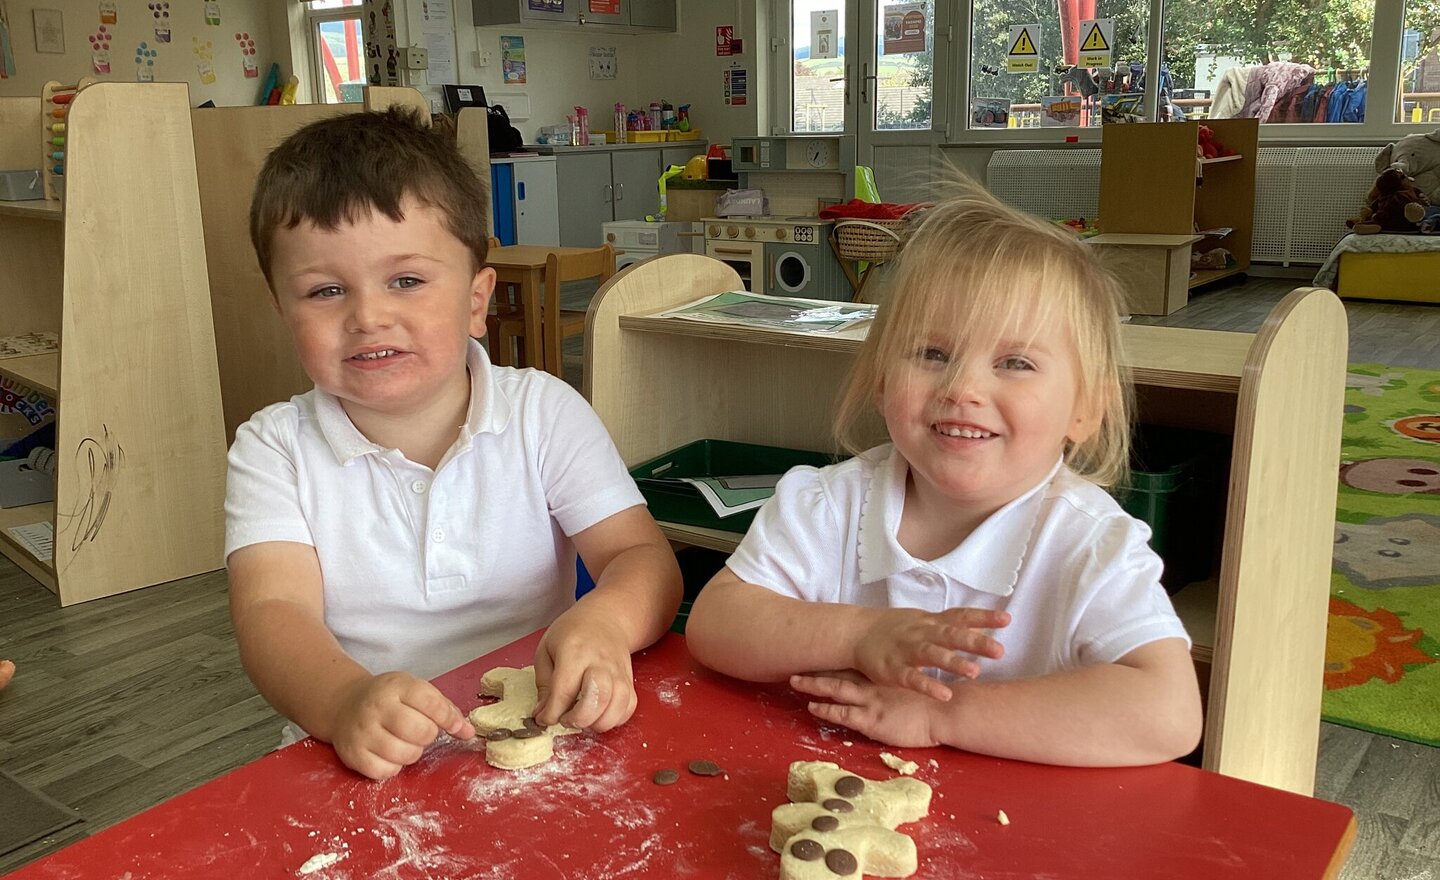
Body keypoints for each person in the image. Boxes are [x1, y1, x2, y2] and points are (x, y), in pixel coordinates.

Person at [227, 108, 681, 780]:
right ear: (281, 311)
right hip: (350, 747)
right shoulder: (273, 449)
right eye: (325, 291)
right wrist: (344, 700)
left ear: (476, 299)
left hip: (536, 734)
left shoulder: (544, 414)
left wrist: (607, 624)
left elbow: (641, 558)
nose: (368, 316)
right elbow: (273, 614)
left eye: (406, 280)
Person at [686, 178, 1203, 768]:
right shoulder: (828, 504)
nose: (962, 389)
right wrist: (858, 635)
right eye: (932, 354)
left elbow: (1169, 713)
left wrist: (941, 714)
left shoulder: (1089, 541)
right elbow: (716, 622)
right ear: (881, 381)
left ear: (1086, 409)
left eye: (1015, 363)